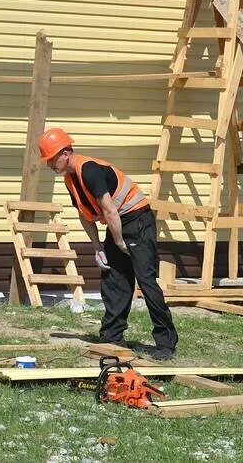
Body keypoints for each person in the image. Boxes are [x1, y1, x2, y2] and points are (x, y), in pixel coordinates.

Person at [38, 127, 178, 360]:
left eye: (51, 159)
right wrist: (98, 248)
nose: (49, 164)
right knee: (114, 279)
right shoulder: (71, 180)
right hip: (118, 224)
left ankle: (166, 343)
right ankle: (112, 336)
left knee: (145, 280)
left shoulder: (91, 171)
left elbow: (110, 211)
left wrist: (120, 242)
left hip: (136, 220)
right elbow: (86, 215)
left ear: (65, 153)